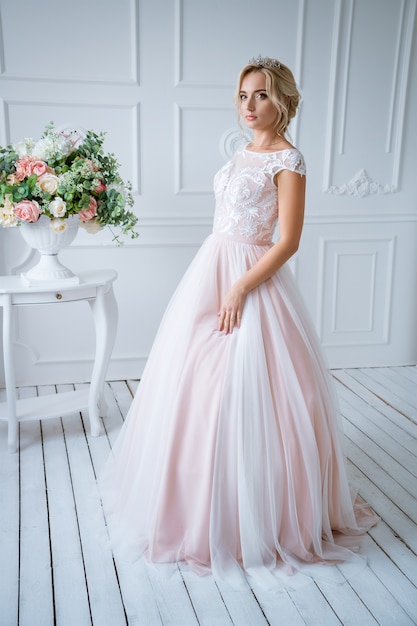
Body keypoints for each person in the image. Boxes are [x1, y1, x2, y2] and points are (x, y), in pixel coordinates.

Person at [99, 56, 377, 589]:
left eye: (263, 96)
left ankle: (257, 508)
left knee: (254, 387)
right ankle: (191, 502)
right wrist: (223, 280)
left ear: (284, 103)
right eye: (244, 96)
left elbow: (288, 240)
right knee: (194, 383)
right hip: (211, 268)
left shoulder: (289, 161)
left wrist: (241, 287)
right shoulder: (240, 153)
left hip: (249, 277)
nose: (250, 106)